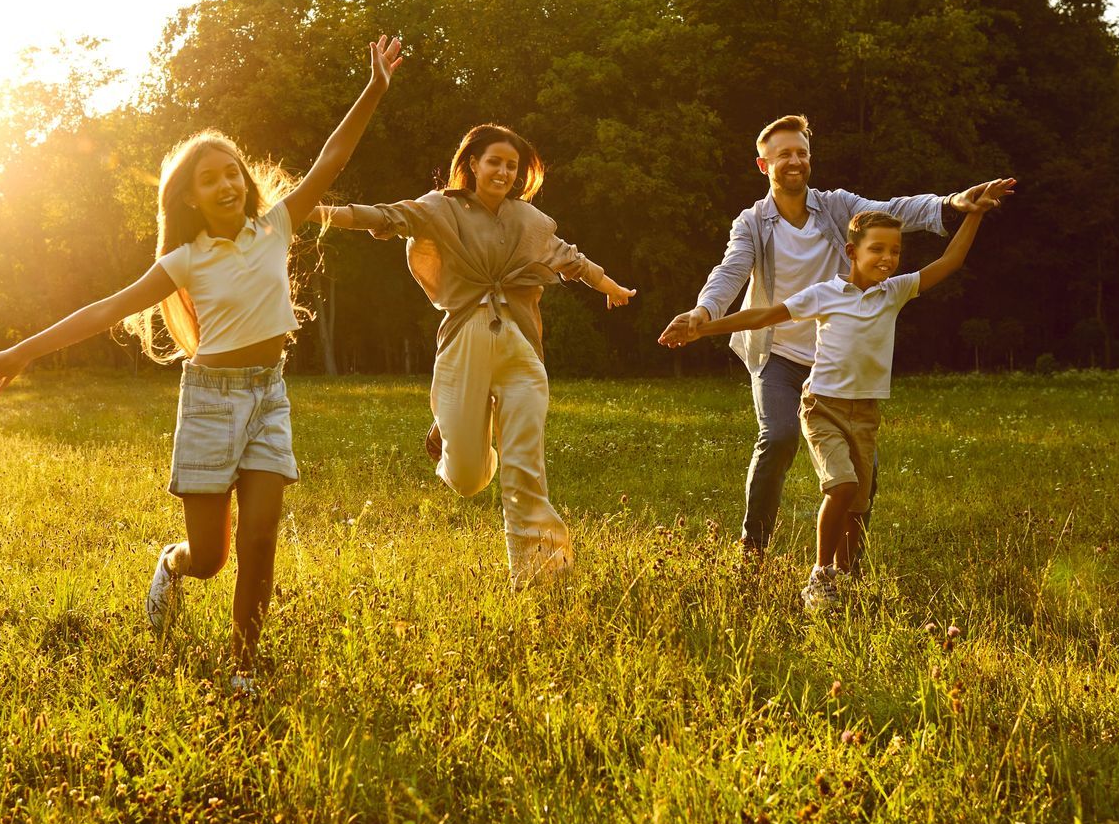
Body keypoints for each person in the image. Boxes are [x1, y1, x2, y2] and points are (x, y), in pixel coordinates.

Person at [0, 35, 404, 674]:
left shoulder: (275, 224)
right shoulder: (186, 259)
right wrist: (22, 351)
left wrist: (374, 88)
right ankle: (171, 566)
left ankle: (244, 664)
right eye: (211, 178)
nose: (227, 182)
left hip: (268, 396)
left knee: (260, 539)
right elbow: (104, 310)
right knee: (211, 560)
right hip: (208, 406)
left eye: (233, 170)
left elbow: (330, 161)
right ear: (190, 198)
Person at [661, 113, 1014, 565]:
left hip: (835, 358)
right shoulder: (751, 223)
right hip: (779, 353)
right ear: (762, 164)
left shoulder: (836, 205)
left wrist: (952, 204)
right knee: (781, 434)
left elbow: (894, 211)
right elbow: (730, 272)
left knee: (862, 472)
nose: (795, 161)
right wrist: (703, 313)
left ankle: (847, 566)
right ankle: (754, 549)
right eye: (784, 154)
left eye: (802, 153)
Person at [319, 125, 637, 587]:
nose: (504, 172)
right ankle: (454, 433)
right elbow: (384, 215)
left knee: (525, 468)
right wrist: (313, 210)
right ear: (472, 164)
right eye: (495, 162)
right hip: (464, 344)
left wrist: (608, 286)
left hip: (521, 351)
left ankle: (542, 578)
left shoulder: (529, 220)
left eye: (512, 165)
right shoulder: (439, 208)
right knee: (468, 478)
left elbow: (568, 258)